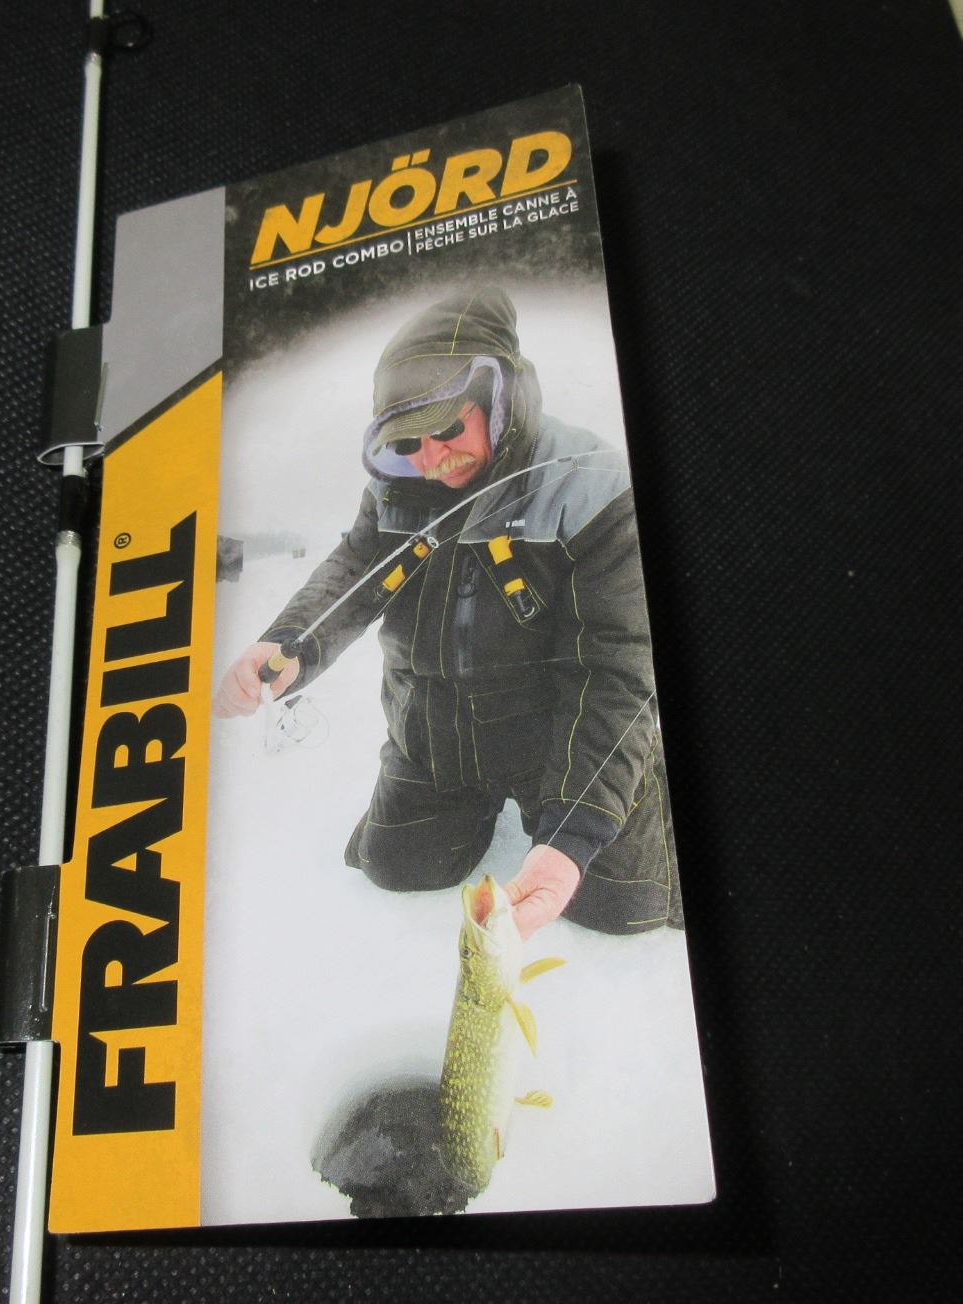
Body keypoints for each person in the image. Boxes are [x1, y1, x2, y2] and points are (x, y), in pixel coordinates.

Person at [213, 286, 679, 939]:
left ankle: (633, 795)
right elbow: (353, 572)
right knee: (395, 867)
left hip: (555, 738)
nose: (432, 459)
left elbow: (617, 672)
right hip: (436, 738)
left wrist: (574, 834)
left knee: (622, 907)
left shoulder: (594, 488)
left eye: (448, 427)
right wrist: (290, 643)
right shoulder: (397, 487)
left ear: (500, 399)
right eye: (408, 439)